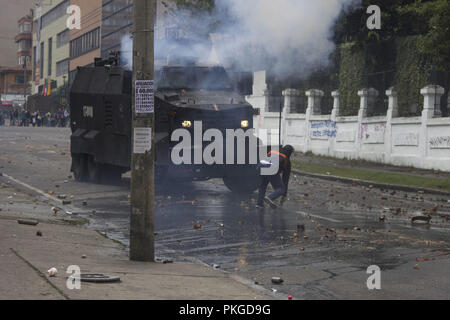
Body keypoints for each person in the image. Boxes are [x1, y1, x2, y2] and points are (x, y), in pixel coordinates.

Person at [256, 145, 294, 209]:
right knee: (281, 189)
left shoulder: (274, 150)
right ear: (290, 153)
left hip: (261, 166)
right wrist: (284, 194)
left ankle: (259, 204)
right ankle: (270, 197)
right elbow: (285, 180)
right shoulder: (287, 161)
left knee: (263, 186)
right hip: (271, 168)